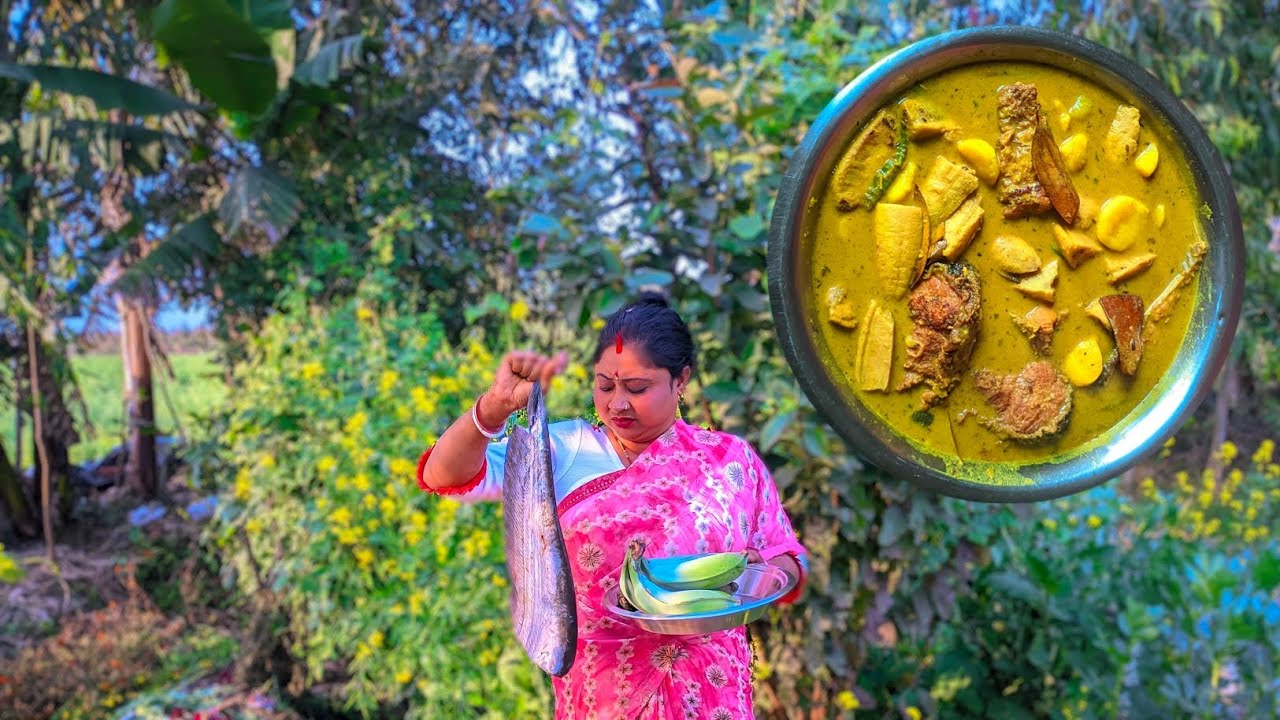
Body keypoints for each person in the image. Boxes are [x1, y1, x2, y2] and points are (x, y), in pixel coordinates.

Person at [417, 291, 808, 719]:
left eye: (637, 388)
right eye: (606, 385)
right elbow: (444, 476)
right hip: (603, 696)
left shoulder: (728, 460)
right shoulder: (560, 447)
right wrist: (491, 408)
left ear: (681, 381)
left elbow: (782, 555)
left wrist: (763, 577)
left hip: (712, 692)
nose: (618, 403)